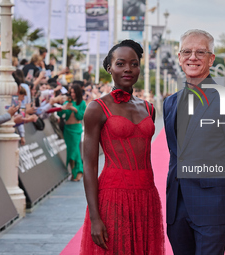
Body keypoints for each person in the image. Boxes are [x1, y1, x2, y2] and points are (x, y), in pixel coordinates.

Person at [163, 29, 225, 255]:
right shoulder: (170, 103)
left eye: (200, 52)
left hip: (213, 207)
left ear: (211, 59)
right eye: (187, 51)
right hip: (176, 207)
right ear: (179, 57)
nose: (192, 57)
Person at [80, 40, 164, 254]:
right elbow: (88, 166)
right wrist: (95, 217)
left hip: (146, 196)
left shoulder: (148, 108)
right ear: (109, 68)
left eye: (134, 64)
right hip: (113, 198)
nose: (128, 69)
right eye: (121, 63)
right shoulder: (96, 108)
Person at [57, 84, 86, 182]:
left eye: (74, 92)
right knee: (70, 151)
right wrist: (63, 107)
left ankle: (79, 171)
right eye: (71, 92)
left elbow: (81, 116)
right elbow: (60, 114)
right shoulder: (67, 102)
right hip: (67, 129)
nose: (72, 94)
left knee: (75, 151)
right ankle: (74, 172)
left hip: (76, 129)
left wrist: (74, 109)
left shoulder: (82, 103)